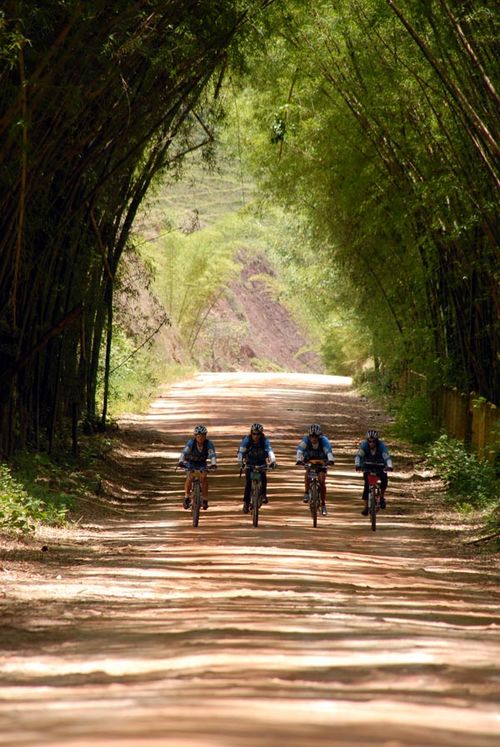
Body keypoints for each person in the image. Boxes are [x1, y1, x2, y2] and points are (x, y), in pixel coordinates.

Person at [296, 424, 335, 516]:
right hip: (310, 461)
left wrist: (331, 460)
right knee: (307, 474)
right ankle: (306, 492)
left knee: (321, 480)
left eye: (316, 436)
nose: (313, 438)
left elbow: (328, 451)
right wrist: (298, 459)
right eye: (311, 436)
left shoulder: (324, 441)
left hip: (322, 462)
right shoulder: (306, 440)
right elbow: (300, 450)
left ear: (319, 436)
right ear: (309, 436)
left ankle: (323, 504)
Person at [237, 423, 277, 513]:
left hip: (261, 463)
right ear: (251, 433)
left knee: (263, 477)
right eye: (254, 434)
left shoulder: (264, 441)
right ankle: (246, 503)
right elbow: (241, 452)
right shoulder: (247, 440)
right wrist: (240, 462)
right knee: (248, 483)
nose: (256, 436)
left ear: (261, 434)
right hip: (249, 463)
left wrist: (273, 460)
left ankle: (263, 495)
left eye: (258, 434)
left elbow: (269, 450)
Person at [178, 425, 217, 510]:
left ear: (205, 436)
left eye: (203, 436)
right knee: (190, 477)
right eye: (198, 436)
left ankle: (205, 499)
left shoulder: (208, 444)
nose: (201, 438)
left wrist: (213, 464)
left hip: (202, 464)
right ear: (195, 436)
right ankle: (187, 497)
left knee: (204, 478)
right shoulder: (191, 443)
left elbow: (212, 454)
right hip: (190, 463)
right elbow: (184, 453)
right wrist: (181, 461)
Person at [355, 429, 393, 515]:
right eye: (369, 441)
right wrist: (357, 465)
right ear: (367, 441)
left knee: (384, 480)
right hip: (367, 466)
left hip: (380, 465)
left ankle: (382, 497)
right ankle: (365, 507)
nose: (371, 443)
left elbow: (387, 457)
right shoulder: (364, 445)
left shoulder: (381, 446)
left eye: (374, 441)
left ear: (377, 441)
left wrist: (389, 466)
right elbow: (358, 456)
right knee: (367, 485)